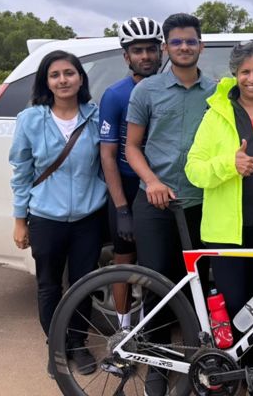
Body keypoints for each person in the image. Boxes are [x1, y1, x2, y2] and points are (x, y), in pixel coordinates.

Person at [185, 40, 253, 396]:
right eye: (245, 71)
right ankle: (225, 372)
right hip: (225, 231)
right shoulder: (216, 113)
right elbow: (193, 170)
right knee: (232, 305)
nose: (252, 78)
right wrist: (228, 164)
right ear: (235, 73)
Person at [125, 12, 215, 396]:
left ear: (201, 46)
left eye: (190, 41)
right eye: (176, 42)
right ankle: (158, 366)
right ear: (166, 47)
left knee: (198, 288)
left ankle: (196, 363)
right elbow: (131, 147)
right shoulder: (146, 91)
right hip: (156, 203)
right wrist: (152, 181)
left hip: (201, 204)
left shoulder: (216, 92)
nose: (184, 47)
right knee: (157, 286)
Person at [9, 50, 106, 379]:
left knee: (83, 283)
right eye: (55, 75)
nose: (63, 80)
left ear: (80, 78)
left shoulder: (95, 115)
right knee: (49, 285)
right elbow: (22, 172)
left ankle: (78, 343)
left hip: (88, 218)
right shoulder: (31, 119)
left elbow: (105, 164)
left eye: (69, 73)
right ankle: (57, 345)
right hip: (46, 217)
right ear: (46, 82)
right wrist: (20, 220)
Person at [99, 17, 163, 330]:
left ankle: (153, 326)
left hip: (162, 184)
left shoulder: (169, 88)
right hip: (127, 185)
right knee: (124, 259)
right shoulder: (115, 95)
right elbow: (108, 155)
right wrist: (122, 208)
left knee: (157, 262)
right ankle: (124, 330)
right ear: (126, 56)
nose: (145, 56)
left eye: (151, 49)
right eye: (138, 50)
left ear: (161, 51)